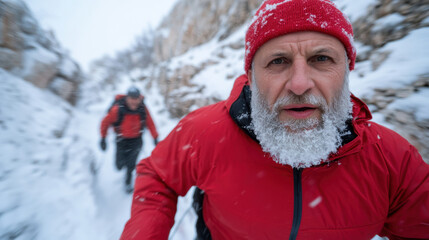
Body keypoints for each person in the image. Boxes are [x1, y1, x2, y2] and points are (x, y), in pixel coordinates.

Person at [120, 0, 429, 239]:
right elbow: (158, 176)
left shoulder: (392, 161)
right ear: (251, 78)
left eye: (321, 59)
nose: (299, 84)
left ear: (346, 73)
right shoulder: (205, 132)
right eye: (277, 61)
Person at [100, 86, 158, 193]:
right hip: (121, 140)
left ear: (140, 99)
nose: (134, 101)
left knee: (131, 164)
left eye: (136, 98)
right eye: (131, 98)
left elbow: (150, 122)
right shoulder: (117, 109)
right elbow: (105, 122)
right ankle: (123, 166)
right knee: (119, 165)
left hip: (136, 141)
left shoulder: (142, 109)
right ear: (127, 98)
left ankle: (128, 182)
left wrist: (155, 137)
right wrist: (103, 138)